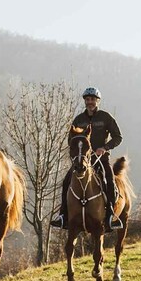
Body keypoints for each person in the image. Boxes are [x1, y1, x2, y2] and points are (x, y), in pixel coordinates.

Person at [50, 86, 124, 231]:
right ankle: (62, 216)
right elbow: (71, 140)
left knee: (109, 181)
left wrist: (105, 148)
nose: (90, 102)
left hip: (101, 159)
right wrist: (77, 154)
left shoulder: (106, 117)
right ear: (85, 101)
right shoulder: (79, 119)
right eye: (87, 99)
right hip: (82, 161)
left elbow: (118, 137)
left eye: (93, 99)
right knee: (66, 182)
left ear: (97, 101)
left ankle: (110, 216)